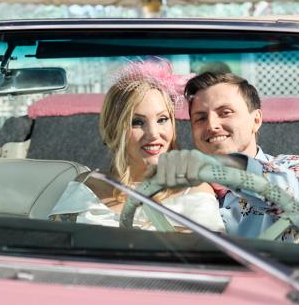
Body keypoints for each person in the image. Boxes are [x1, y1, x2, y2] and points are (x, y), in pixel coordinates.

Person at [49, 60, 225, 232]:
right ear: (113, 128)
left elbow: (210, 251)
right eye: (137, 122)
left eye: (162, 119)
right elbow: (53, 245)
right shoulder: (86, 186)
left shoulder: (195, 192)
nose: (153, 133)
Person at [153, 72, 299, 243]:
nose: (212, 125)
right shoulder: (181, 188)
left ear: (256, 120)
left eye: (225, 112)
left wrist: (228, 165)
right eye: (201, 118)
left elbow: (296, 199)